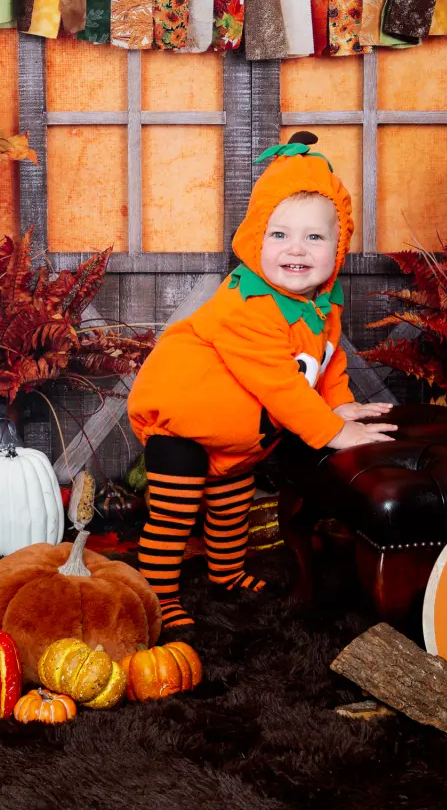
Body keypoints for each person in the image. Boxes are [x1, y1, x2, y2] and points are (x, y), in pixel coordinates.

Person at [128, 132, 396, 631]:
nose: (296, 250)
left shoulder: (323, 304)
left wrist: (341, 407)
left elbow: (329, 362)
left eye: (314, 238)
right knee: (172, 518)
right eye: (279, 235)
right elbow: (280, 385)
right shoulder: (246, 304)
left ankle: (225, 573)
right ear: (255, 240)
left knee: (232, 503)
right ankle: (158, 594)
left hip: (241, 437)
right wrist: (333, 433)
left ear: (339, 248)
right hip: (181, 429)